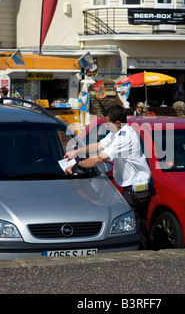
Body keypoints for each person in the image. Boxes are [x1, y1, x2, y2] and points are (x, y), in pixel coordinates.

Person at [64, 105, 152, 249]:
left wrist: (75, 167)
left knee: (135, 227)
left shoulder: (125, 137)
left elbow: (100, 158)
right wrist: (78, 151)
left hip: (137, 190)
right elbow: (99, 145)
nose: (105, 125)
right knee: (131, 225)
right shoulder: (117, 132)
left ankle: (142, 255)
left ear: (117, 123)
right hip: (130, 188)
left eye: (107, 123)